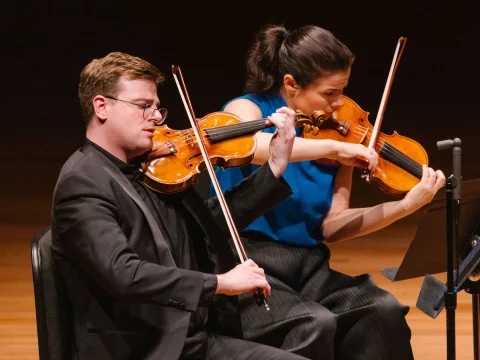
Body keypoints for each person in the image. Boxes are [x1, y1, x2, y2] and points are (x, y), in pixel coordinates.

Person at [50, 51, 310, 360]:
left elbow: (208, 225)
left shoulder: (150, 168)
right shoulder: (83, 182)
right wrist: (220, 283)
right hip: (146, 348)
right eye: (143, 106)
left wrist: (275, 166)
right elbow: (124, 274)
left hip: (194, 333)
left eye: (157, 108)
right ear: (102, 106)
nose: (157, 117)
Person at [213, 24, 446, 360]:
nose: (339, 105)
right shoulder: (246, 110)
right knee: (313, 324)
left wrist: (405, 206)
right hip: (247, 264)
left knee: (382, 310)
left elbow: (332, 224)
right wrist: (332, 150)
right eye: (329, 93)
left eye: (343, 91)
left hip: (309, 267)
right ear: (291, 84)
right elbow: (249, 144)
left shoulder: (340, 138)